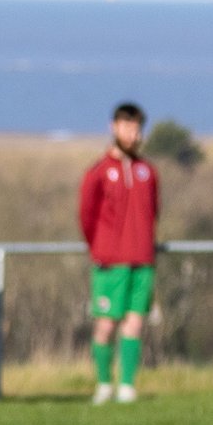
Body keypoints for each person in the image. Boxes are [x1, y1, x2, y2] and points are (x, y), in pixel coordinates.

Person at [77, 102, 160, 403]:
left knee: (135, 322)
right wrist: (102, 247)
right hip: (111, 261)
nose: (132, 134)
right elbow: (86, 215)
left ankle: (127, 385)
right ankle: (103, 383)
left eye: (136, 128)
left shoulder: (147, 171)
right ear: (113, 128)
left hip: (142, 259)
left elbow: (154, 211)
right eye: (126, 127)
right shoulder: (98, 172)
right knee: (105, 324)